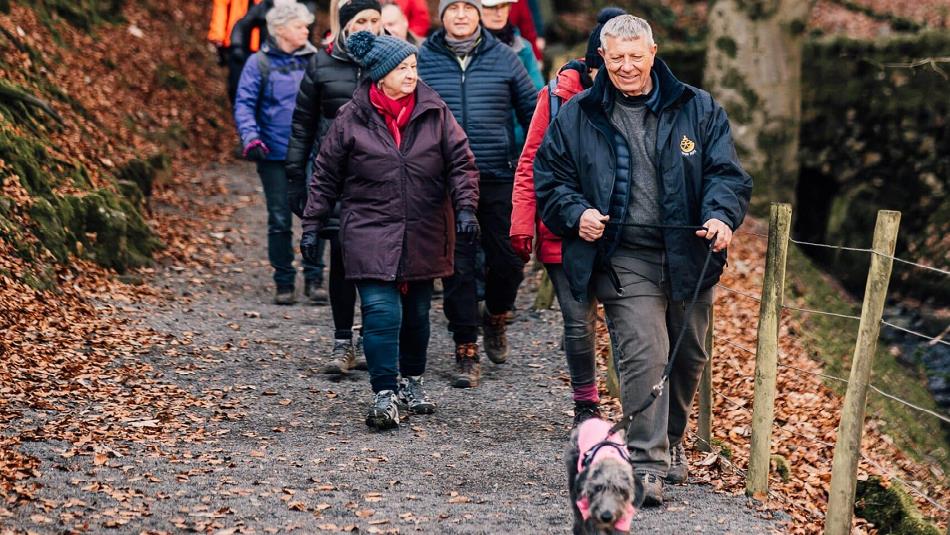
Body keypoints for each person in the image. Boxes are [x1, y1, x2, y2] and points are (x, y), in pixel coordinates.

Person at [533, 15, 752, 506]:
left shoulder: (698, 107)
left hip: (689, 253)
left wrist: (720, 216)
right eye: (616, 58)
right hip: (621, 256)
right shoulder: (578, 114)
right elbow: (550, 179)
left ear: (653, 52)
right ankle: (646, 463)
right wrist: (577, 213)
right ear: (602, 60)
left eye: (636, 56)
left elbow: (726, 174)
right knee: (645, 352)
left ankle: (671, 442)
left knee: (688, 354)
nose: (627, 66)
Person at [300, 32, 480, 430]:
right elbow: (326, 174)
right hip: (368, 227)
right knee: (381, 312)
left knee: (416, 313)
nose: (411, 74)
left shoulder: (436, 112)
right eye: (402, 68)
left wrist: (466, 208)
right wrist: (312, 224)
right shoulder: (351, 117)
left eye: (414, 67)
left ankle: (411, 382)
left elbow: (462, 163)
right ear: (380, 76)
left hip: (425, 229)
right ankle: (383, 393)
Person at [510, 7, 626, 427]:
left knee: (625, 324)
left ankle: (636, 412)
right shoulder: (556, 98)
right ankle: (586, 406)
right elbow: (530, 163)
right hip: (562, 227)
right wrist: (523, 223)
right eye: (608, 67)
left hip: (620, 234)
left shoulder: (637, 100)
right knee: (578, 322)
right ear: (594, 62)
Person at [418, 0, 537, 388]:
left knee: (509, 260)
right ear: (442, 15)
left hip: (497, 174)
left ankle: (497, 315)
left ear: (479, 14)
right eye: (453, 7)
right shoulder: (423, 58)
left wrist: (528, 162)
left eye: (469, 7)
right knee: (457, 265)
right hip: (445, 178)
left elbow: (532, 113)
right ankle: (465, 345)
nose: (462, 15)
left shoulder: (505, 57)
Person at [285, 0, 382, 371]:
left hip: (381, 179)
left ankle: (371, 337)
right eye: (361, 21)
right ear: (344, 26)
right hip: (337, 178)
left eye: (375, 20)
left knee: (378, 262)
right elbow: (302, 125)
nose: (369, 27)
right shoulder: (322, 64)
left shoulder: (393, 61)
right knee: (341, 259)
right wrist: (296, 176)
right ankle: (343, 341)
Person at [233, 0, 317, 305]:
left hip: (310, 153)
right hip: (273, 154)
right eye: (299, 26)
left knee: (314, 216)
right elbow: (244, 103)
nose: (306, 30)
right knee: (280, 218)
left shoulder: (315, 60)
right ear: (281, 30)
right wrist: (251, 137)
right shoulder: (259, 63)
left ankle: (314, 278)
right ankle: (284, 281)